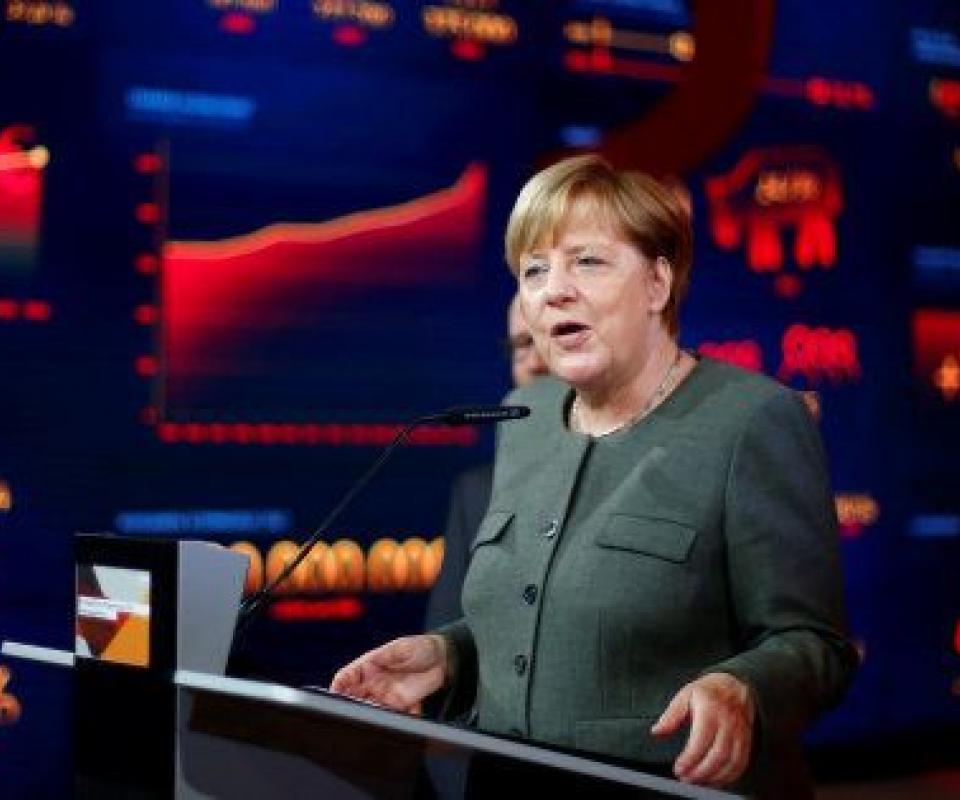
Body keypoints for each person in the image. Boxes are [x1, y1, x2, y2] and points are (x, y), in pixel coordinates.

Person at [331, 154, 857, 797]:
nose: (554, 290)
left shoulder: (752, 420)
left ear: (658, 283)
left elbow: (814, 645)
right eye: (534, 270)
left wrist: (743, 687)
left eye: (587, 261)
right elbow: (543, 621)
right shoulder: (525, 419)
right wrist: (451, 657)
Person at [423, 296, 549, 634]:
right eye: (521, 345)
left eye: (551, 339)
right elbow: (446, 630)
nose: (535, 363)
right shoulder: (477, 491)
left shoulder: (641, 471)